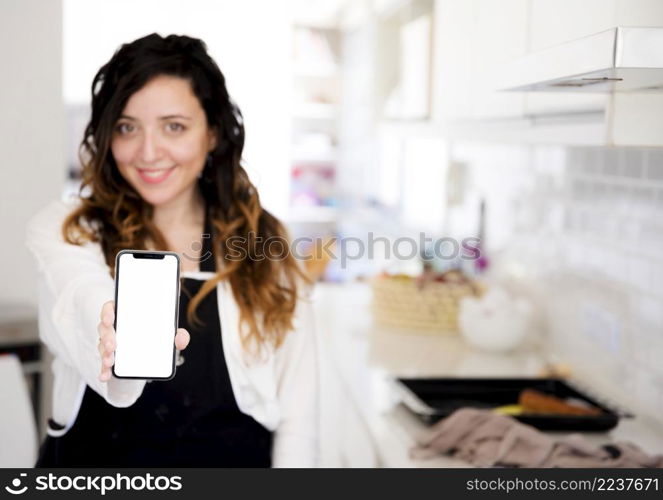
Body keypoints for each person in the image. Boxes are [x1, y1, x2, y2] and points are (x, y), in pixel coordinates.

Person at [26, 33, 319, 467]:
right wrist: (107, 326)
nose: (148, 152)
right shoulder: (70, 229)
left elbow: (298, 414)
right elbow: (78, 292)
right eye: (127, 127)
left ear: (213, 134)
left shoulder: (264, 242)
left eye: (174, 127)